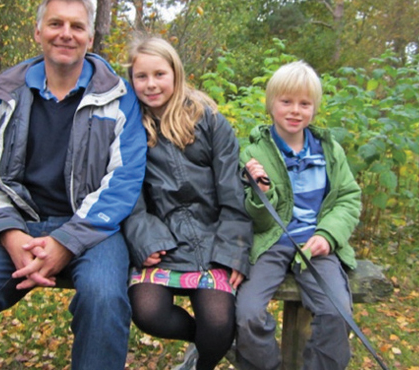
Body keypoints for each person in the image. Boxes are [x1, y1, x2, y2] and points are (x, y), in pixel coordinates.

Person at [0, 0, 148, 370]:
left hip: (93, 229)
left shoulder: (118, 97)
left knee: (104, 300)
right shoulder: (3, 96)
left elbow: (124, 180)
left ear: (90, 37)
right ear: (37, 32)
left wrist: (67, 241)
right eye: (56, 23)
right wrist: (10, 235)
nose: (66, 33)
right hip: (17, 225)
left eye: (76, 26)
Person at [122, 37, 253, 370]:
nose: (151, 84)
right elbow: (129, 195)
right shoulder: (128, 126)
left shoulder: (208, 120)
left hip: (213, 236)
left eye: (159, 74)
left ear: (175, 74)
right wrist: (144, 238)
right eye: (141, 76)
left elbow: (231, 190)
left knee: (219, 321)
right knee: (148, 313)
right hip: (162, 238)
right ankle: (205, 343)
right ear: (131, 79)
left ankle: (202, 362)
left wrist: (234, 249)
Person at [236, 61, 361, 370]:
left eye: (304, 103)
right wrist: (261, 193)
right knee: (247, 313)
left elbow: (348, 198)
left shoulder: (329, 150)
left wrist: (327, 236)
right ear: (271, 104)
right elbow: (256, 219)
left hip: (316, 246)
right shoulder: (253, 152)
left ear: (314, 108)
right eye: (286, 101)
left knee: (337, 311)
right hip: (269, 243)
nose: (295, 110)